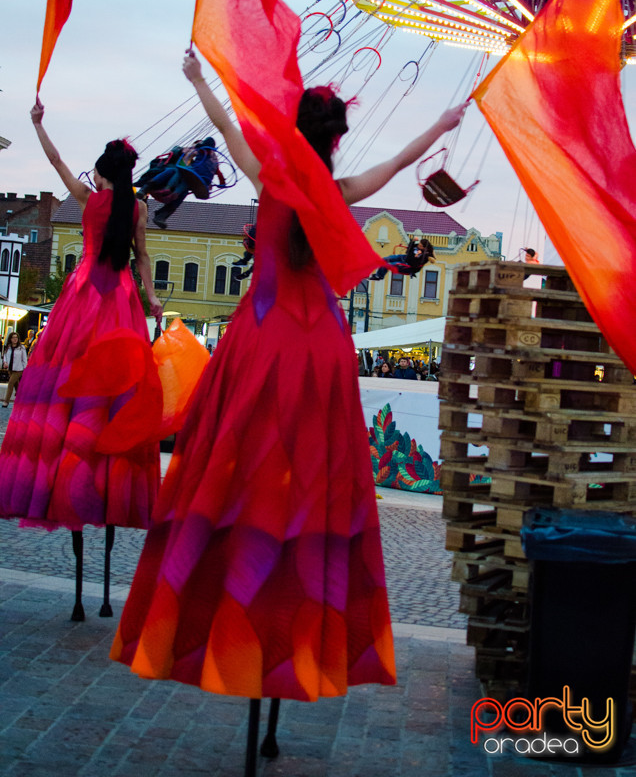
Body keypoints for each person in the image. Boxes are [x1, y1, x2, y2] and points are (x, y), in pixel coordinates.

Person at [111, 49, 467, 703]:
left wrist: (195, 77)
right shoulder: (338, 189)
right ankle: (296, 608)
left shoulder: (270, 175)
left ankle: (223, 590)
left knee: (230, 467)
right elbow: (394, 165)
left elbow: (226, 130)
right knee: (313, 475)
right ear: (335, 139)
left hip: (259, 339)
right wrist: (442, 125)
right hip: (319, 348)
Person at [0, 99, 164, 534]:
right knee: (118, 382)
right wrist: (151, 298)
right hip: (121, 297)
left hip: (83, 293)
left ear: (102, 173)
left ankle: (65, 456)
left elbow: (54, 159)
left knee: (62, 375)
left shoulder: (86, 198)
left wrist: (37, 124)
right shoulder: (138, 209)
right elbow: (143, 257)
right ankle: (107, 462)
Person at [369, 237, 435, 281]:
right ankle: (376, 273)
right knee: (385, 259)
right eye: (419, 244)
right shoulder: (417, 246)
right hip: (405, 258)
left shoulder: (426, 254)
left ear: (424, 247)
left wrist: (428, 257)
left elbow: (433, 259)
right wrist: (412, 241)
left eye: (420, 246)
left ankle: (379, 276)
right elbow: (409, 249)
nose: (418, 246)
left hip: (409, 266)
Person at [1, 332, 28, 407]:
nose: (15, 339)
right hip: (10, 369)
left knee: (10, 383)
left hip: (19, 369)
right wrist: (5, 362)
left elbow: (24, 359)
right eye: (13, 337)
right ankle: (20, 398)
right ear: (10, 339)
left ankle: (6, 401)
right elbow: (5, 356)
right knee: (16, 385)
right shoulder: (8, 347)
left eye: (16, 337)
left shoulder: (21, 347)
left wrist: (25, 368)